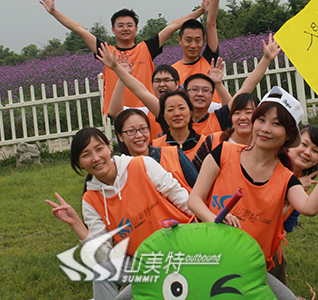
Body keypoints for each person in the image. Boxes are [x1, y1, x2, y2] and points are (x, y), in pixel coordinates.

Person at [187, 86, 318, 300]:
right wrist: (215, 219)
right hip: (205, 255)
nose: (265, 129)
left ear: (288, 135)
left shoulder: (286, 178)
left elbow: (310, 208)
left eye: (276, 123)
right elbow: (194, 200)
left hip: (249, 267)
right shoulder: (223, 153)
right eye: (261, 119)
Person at [46, 128, 192, 300]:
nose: (95, 158)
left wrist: (209, 227)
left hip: (178, 249)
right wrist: (76, 224)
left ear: (109, 147)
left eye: (99, 149)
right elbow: (103, 258)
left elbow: (182, 199)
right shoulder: (91, 199)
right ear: (79, 163)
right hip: (142, 262)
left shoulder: (142, 165)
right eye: (86, 155)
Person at [38, 0, 210, 114]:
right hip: (119, 112)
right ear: (113, 30)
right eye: (120, 25)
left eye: (129, 25)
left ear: (136, 29)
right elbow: (79, 30)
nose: (125, 28)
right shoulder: (107, 51)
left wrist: (201, 10)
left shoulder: (146, 48)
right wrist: (54, 12)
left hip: (147, 109)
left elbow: (173, 26)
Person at [98, 43, 229, 137]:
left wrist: (218, 85)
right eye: (157, 81)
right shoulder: (153, 111)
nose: (177, 114)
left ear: (178, 84)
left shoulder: (206, 112)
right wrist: (119, 72)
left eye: (167, 80)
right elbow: (120, 108)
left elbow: (231, 109)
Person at [270, 125, 318, 285]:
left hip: (269, 243)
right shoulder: (270, 166)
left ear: (317, 159)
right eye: (304, 144)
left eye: (315, 150)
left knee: (277, 253)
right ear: (290, 143)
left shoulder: (304, 187)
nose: (307, 152)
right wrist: (292, 187)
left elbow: (287, 225)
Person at [186, 34, 281, 136]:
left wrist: (266, 59)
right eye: (194, 89)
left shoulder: (219, 119)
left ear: (212, 95)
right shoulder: (177, 121)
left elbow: (246, 88)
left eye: (205, 90)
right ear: (185, 94)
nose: (200, 94)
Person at [171, 0, 223, 102]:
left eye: (198, 40)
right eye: (188, 40)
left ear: (203, 40)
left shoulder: (209, 61)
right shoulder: (172, 72)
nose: (193, 45)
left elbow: (211, 23)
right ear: (180, 40)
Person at [114, 108, 198, 189]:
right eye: (131, 131)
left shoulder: (174, 154)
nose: (139, 135)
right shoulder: (121, 171)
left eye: (143, 128)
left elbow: (199, 188)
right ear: (120, 136)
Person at [191, 92, 258, 171]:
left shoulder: (264, 145)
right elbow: (194, 173)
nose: (242, 118)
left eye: (249, 112)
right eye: (237, 113)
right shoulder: (213, 141)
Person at [151, 89, 209, 162]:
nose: (177, 113)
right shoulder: (155, 146)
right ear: (164, 116)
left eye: (181, 108)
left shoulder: (206, 144)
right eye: (170, 110)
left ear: (190, 112)